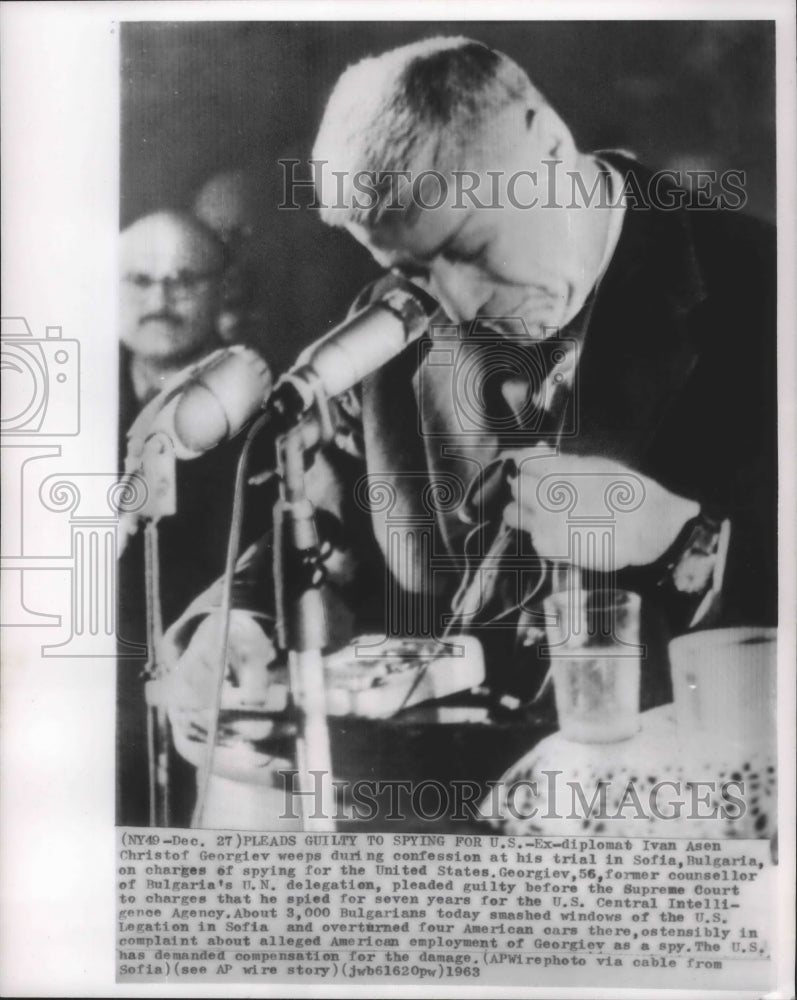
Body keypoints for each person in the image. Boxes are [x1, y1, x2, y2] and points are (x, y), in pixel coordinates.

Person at [164, 37, 776, 822]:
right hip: (430, 822)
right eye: (417, 272)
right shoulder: (390, 331)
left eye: (472, 247)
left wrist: (680, 540)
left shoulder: (765, 289)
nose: (454, 307)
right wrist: (233, 622)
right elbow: (316, 525)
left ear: (550, 149)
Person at [117, 210, 273, 826]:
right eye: (138, 280)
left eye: (185, 279)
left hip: (216, 698)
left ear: (222, 287)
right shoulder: (57, 409)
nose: (161, 298)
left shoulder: (266, 410)